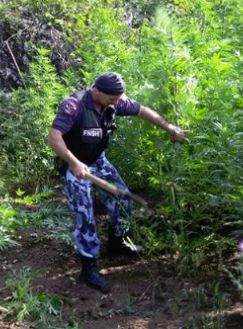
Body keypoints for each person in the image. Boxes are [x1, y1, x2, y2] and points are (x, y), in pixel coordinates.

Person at [47, 72, 188, 292]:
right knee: (85, 214)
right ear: (97, 90)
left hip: (98, 160)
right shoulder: (73, 106)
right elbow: (54, 136)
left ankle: (117, 242)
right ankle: (88, 267)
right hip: (76, 165)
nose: (118, 102)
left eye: (119, 98)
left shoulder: (115, 101)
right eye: (113, 98)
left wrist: (170, 129)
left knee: (122, 198)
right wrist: (74, 163)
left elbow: (143, 111)